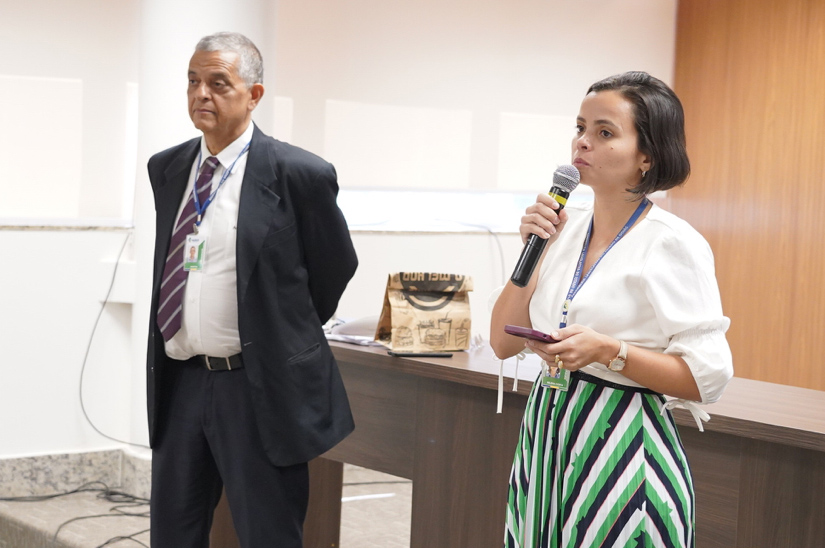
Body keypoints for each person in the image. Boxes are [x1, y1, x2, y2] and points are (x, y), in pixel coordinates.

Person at [491, 71, 733, 547]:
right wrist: (534, 249)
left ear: (647, 156)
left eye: (605, 132)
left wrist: (610, 351)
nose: (582, 142)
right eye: (580, 128)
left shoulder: (672, 242)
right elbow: (502, 342)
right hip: (548, 435)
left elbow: (708, 377)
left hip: (622, 441)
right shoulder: (563, 228)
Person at [145, 32, 358, 548]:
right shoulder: (167, 168)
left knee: (268, 534)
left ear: (254, 95)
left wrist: (278, 331)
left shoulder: (299, 173)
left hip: (256, 386)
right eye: (193, 81)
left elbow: (333, 268)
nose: (201, 94)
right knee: (173, 534)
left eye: (218, 83)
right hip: (181, 382)